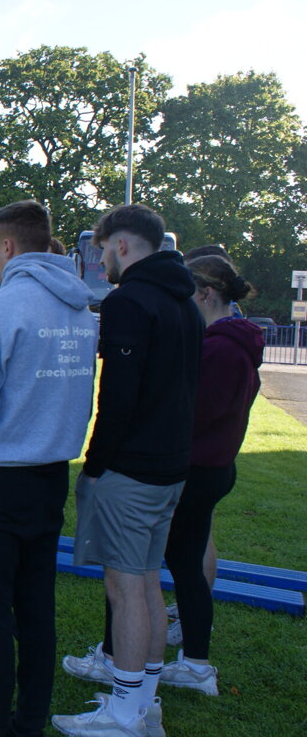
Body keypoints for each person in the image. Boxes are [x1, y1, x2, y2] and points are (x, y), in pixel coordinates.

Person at [0, 200, 97, 737]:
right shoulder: (80, 309)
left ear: (7, 246)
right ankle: (28, 721)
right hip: (50, 477)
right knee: (36, 610)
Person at [54, 204, 203, 737]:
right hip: (170, 467)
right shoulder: (184, 301)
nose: (100, 261)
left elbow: (117, 397)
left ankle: (124, 714)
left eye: (101, 249)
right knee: (145, 584)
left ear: (120, 244)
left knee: (126, 587)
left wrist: (93, 466)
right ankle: (141, 702)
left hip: (133, 470)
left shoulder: (129, 301)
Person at [159, 255, 263, 693]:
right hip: (212, 465)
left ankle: (196, 662)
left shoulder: (221, 348)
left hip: (201, 467)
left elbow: (196, 412)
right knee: (185, 564)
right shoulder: (228, 342)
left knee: (184, 566)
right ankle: (195, 659)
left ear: (205, 293)